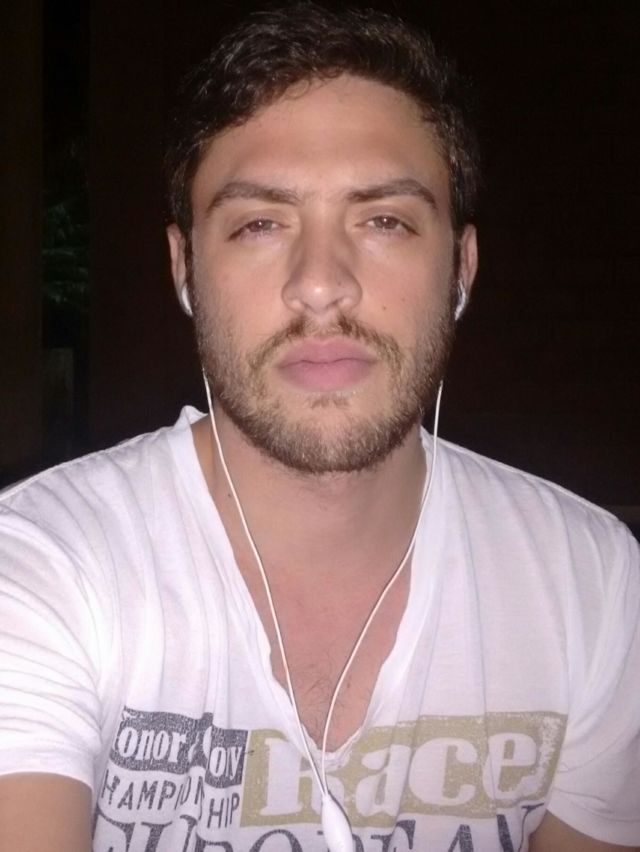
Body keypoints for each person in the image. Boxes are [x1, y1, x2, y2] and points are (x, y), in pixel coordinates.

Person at [0, 4, 638, 851]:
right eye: (260, 224)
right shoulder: (40, 567)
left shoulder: (592, 587)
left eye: (384, 220)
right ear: (185, 269)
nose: (321, 284)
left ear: (461, 269)